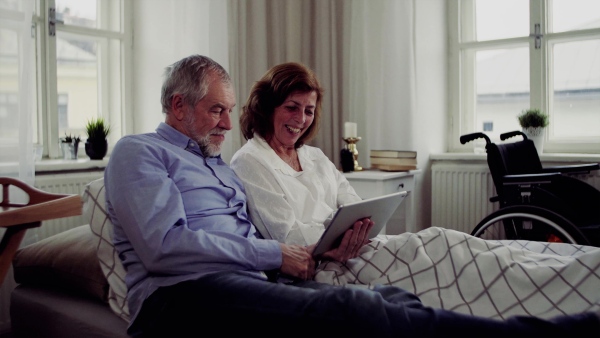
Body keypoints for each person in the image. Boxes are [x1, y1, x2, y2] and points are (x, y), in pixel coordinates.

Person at [105, 54, 599, 337]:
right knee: (352, 311)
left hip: (251, 279)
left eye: (230, 111)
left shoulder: (219, 168)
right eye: (216, 111)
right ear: (177, 105)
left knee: (383, 296)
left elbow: (265, 239)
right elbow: (163, 246)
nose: (227, 124)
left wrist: (287, 259)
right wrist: (275, 252)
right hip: (179, 297)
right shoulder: (139, 153)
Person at [229, 62, 600, 319]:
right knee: (449, 252)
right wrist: (341, 242)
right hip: (330, 267)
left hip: (361, 249)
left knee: (454, 243)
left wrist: (357, 230)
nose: (301, 119)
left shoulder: (314, 157)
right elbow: (291, 238)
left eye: (309, 111)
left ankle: (579, 265)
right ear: (267, 106)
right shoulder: (250, 163)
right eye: (292, 107)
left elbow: (355, 203)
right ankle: (575, 280)